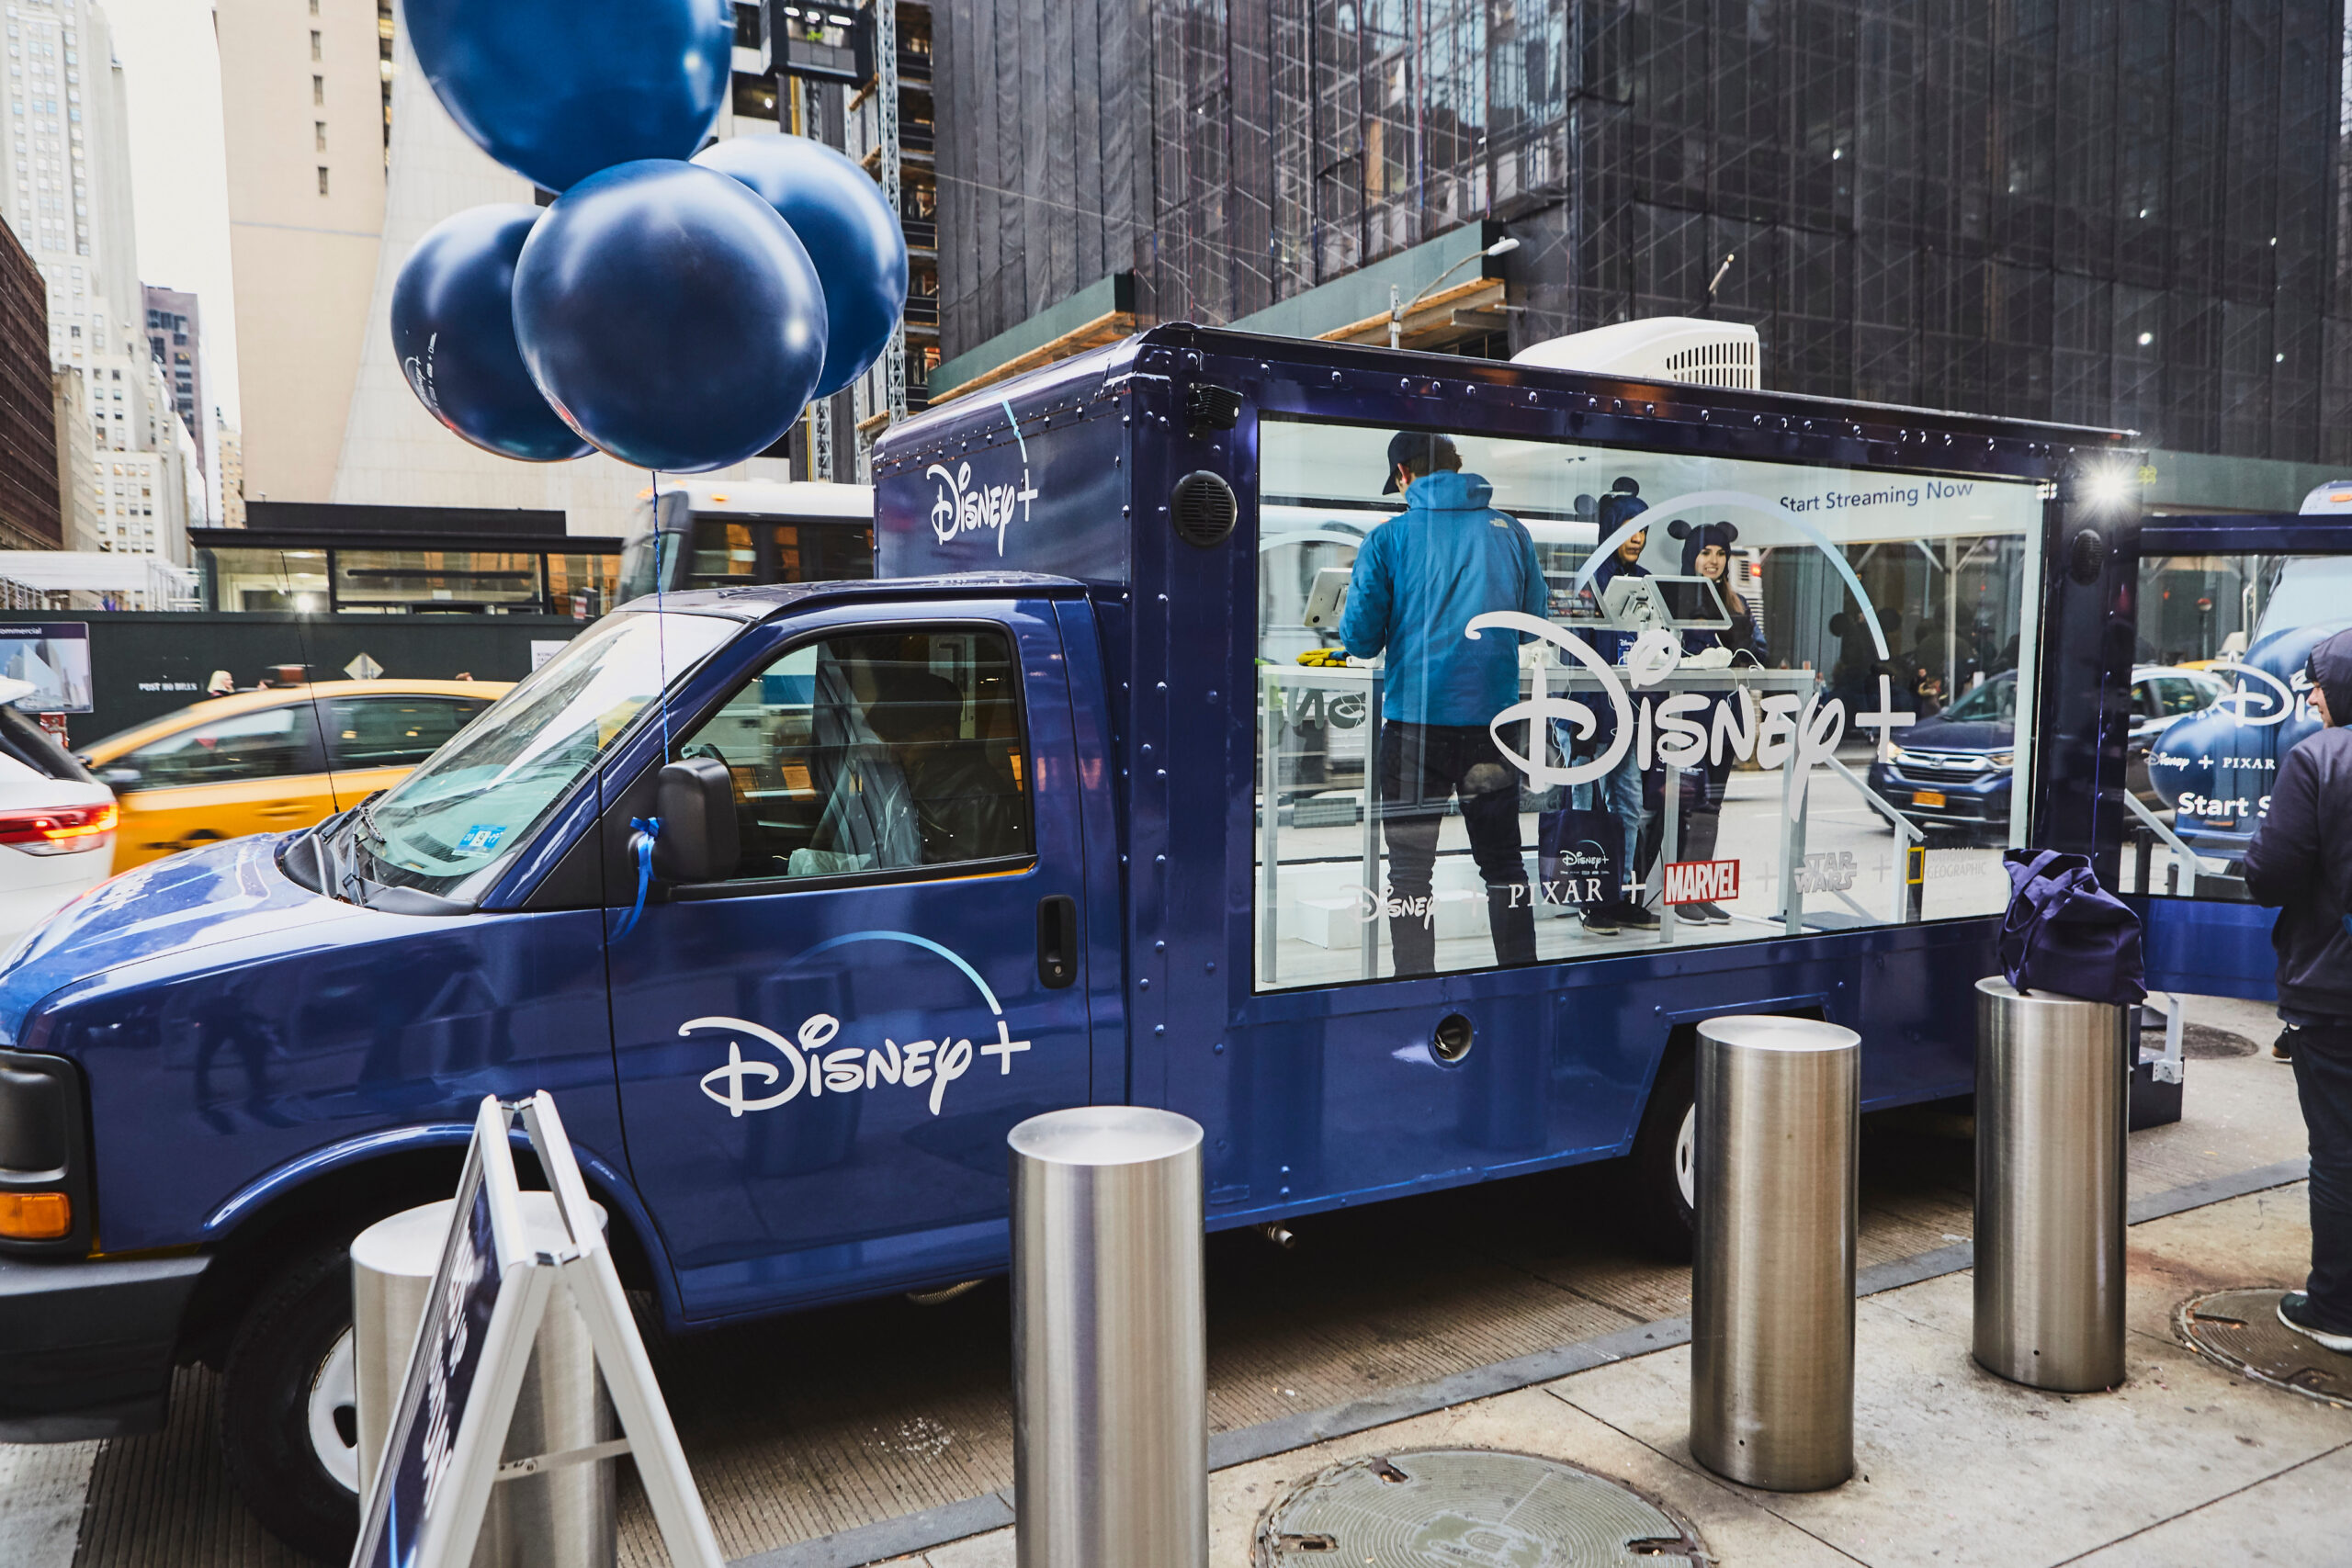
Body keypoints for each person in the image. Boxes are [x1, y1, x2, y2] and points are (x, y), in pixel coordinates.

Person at [1333, 431, 1546, 976]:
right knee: (1503, 864)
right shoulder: (1511, 533)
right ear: (1458, 467)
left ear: (1404, 474)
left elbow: (1359, 640)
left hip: (1414, 729)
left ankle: (1413, 990)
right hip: (1493, 727)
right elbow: (1530, 626)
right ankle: (1521, 982)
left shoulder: (1388, 539)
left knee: (1408, 873)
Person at [2243, 626, 2352, 1353]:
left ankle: (2337, 1308)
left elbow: (2271, 874)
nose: (2310, 694)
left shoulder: (2316, 759)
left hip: (2334, 989)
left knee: (2340, 1149)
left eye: (2319, 683)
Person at [1556, 480, 1658, 934]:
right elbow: (1572, 656)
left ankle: (1617, 895)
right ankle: (1588, 901)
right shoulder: (1588, 579)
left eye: (1642, 531)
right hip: (1588, 715)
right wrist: (1581, 723)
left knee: (1629, 808)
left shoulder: (1645, 582)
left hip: (1626, 717)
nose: (1636, 539)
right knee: (1584, 810)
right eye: (1628, 530)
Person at [1658, 520, 1764, 926]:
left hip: (1726, 715)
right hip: (1687, 716)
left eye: (1720, 554)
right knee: (1685, 804)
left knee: (1711, 806)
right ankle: (1680, 897)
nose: (1714, 561)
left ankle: (1699, 892)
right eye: (1706, 553)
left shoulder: (1737, 602)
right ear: (1691, 557)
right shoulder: (1676, 599)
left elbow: (1756, 653)